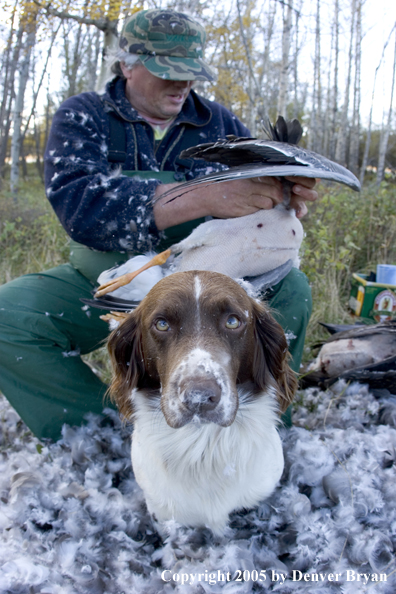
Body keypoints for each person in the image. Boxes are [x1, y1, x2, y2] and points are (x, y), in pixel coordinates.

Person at [0, 9, 317, 441]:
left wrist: (283, 200)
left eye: (191, 73)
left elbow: (260, 201)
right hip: (110, 282)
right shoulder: (85, 116)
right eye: (167, 71)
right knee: (9, 315)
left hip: (211, 286)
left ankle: (260, 432)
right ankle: (104, 437)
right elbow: (80, 207)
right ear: (126, 65)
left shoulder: (219, 124)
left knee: (292, 290)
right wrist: (202, 196)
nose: (182, 84)